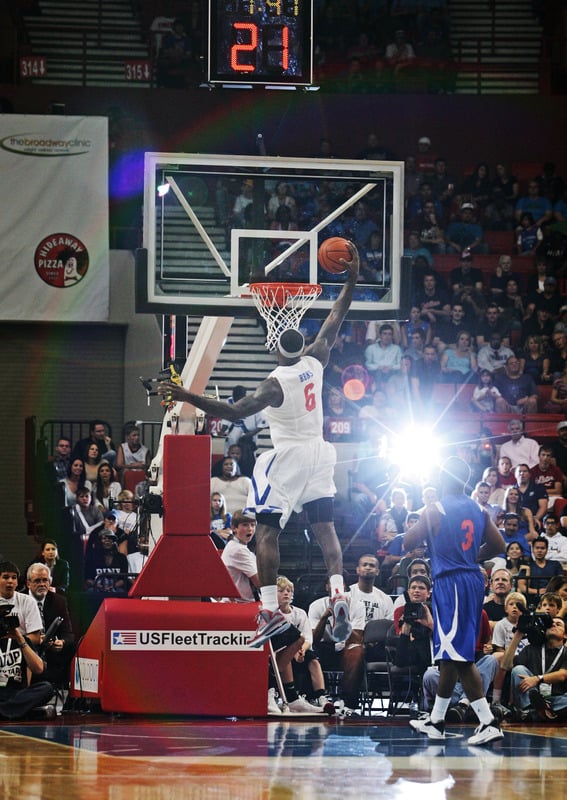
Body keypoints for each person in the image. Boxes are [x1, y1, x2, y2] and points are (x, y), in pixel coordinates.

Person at [159, 242, 360, 649]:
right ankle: (339, 591)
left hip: (286, 457)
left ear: (273, 344)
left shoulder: (274, 384)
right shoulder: (315, 359)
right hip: (322, 452)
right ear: (299, 343)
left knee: (267, 530)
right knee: (325, 530)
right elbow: (337, 315)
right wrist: (352, 277)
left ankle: (268, 610)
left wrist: (187, 395)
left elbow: (233, 412)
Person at [405, 456, 506, 744]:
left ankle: (488, 722)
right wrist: (473, 557)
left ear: (442, 476)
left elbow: (408, 542)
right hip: (470, 578)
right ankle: (436, 721)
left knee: (459, 656)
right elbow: (498, 545)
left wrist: (424, 515)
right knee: (449, 653)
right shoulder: (479, 508)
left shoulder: (435, 508)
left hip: (452, 582)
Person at [0, 561, 53, 720]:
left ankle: (5, 710)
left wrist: (17, 636)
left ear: (18, 581)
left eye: (14, 578)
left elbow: (38, 666)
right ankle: (23, 711)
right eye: (5, 577)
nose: (10, 581)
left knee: (46, 688)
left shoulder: (26, 601)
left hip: (17, 688)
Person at [501, 613, 567, 721]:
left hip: (556, 699)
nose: (553, 625)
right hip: (531, 696)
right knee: (518, 669)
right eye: (551, 624)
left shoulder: (566, 653)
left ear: (565, 635)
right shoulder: (531, 649)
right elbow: (505, 665)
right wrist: (519, 633)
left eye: (558, 624)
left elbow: (563, 675)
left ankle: (538, 713)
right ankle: (534, 710)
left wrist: (537, 679)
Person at [26, 563, 74, 688]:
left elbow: (68, 634)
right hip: (26, 655)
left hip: (51, 657)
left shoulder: (59, 601)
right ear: (28, 584)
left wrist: (61, 642)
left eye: (45, 580)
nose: (42, 584)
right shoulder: (21, 600)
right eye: (37, 580)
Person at [220, 386, 267, 477]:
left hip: (247, 441)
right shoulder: (229, 402)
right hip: (232, 439)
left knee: (247, 463)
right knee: (230, 461)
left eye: (238, 398)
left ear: (244, 396)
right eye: (234, 397)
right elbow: (225, 420)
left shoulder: (255, 404)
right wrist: (222, 431)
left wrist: (250, 434)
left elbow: (262, 424)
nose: (236, 400)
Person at [348, 554, 394, 624]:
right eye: (364, 565)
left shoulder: (386, 599)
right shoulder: (348, 594)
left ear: (377, 571)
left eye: (372, 565)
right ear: (358, 570)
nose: (368, 568)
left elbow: (388, 626)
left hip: (376, 634)